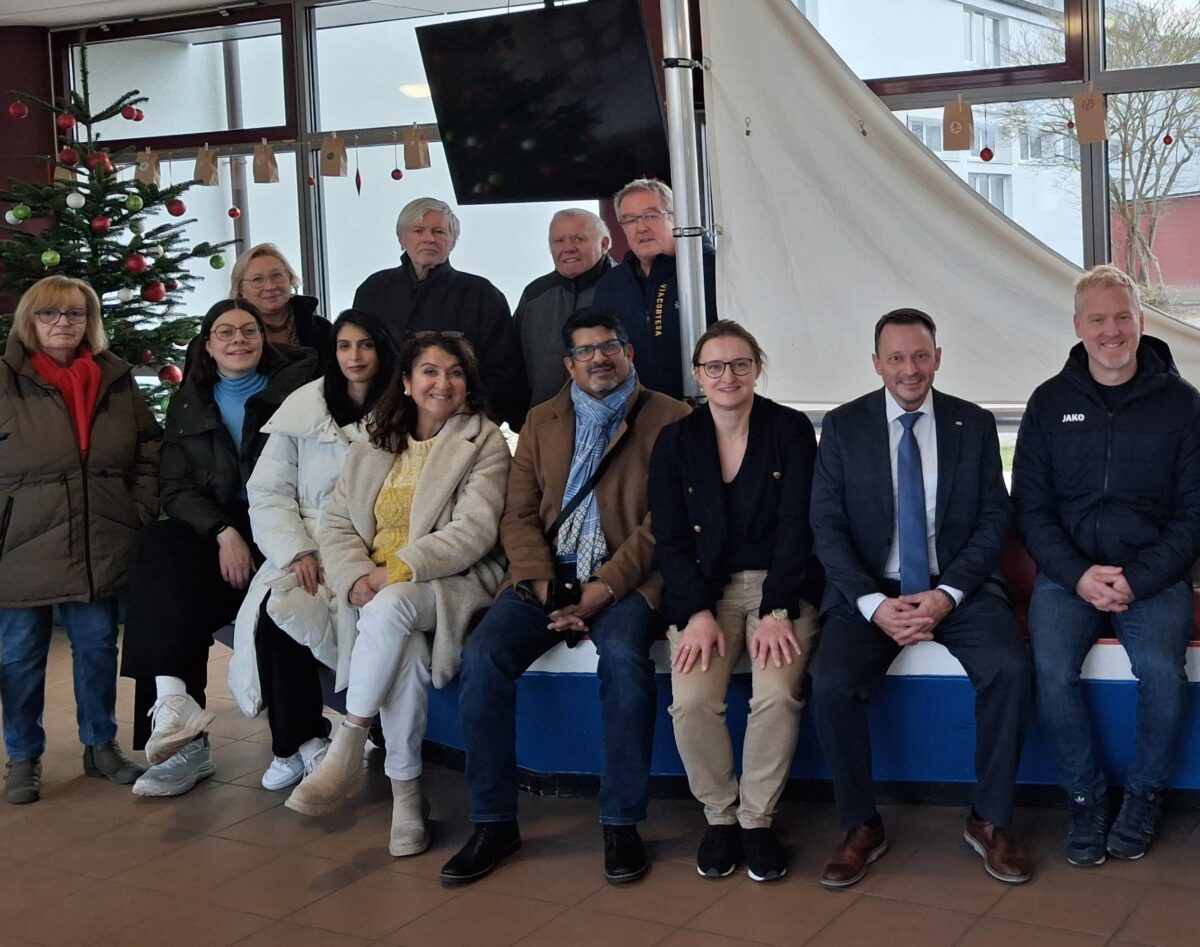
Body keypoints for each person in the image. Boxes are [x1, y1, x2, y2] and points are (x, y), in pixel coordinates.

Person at [439, 306, 690, 886]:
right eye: (584, 351)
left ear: (630, 351)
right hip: (546, 576)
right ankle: (494, 821)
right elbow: (518, 512)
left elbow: (665, 521)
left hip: (626, 582)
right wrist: (542, 579)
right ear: (567, 363)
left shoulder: (671, 418)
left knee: (626, 663)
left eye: (609, 346)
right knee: (482, 659)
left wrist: (605, 588)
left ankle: (621, 821)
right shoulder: (540, 420)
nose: (598, 358)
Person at [809, 308, 1033, 888]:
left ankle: (990, 820)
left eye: (921, 356)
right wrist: (872, 605)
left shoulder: (973, 424)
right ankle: (860, 826)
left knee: (1009, 668)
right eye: (897, 358)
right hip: (870, 589)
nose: (910, 369)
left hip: (956, 583)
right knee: (831, 682)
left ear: (937, 357)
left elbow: (993, 516)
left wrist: (948, 594)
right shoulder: (842, 426)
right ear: (877, 363)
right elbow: (826, 527)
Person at [285, 333, 510, 858]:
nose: (443, 382)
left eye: (455, 372)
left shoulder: (484, 441)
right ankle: (408, 799)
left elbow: (474, 532)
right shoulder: (374, 442)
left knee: (393, 606)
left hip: (450, 584)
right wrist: (356, 575)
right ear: (407, 382)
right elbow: (337, 523)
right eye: (429, 371)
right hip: (378, 590)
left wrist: (396, 571)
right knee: (402, 652)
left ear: (468, 385)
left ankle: (349, 740)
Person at [1012, 265, 1200, 866]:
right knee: (1049, 671)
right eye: (1098, 319)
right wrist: (1079, 575)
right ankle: (1085, 796)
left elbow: (1195, 513)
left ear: (1142, 323)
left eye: (1123, 317)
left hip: (1155, 575)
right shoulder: (1048, 403)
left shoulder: (1184, 405)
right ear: (1078, 327)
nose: (1112, 331)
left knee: (1164, 676)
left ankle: (1144, 796)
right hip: (1070, 576)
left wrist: (1139, 578)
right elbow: (1032, 510)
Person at [119, 300, 315, 797]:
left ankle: (295, 743)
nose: (238, 340)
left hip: (282, 528)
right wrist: (223, 532)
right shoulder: (191, 400)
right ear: (207, 345)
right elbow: (176, 486)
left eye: (248, 330)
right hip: (223, 532)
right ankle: (176, 725)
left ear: (262, 338)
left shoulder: (294, 386)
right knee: (161, 557)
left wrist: (258, 535)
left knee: (271, 606)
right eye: (224, 333)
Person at [648, 320, 820, 882]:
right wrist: (695, 612)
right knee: (692, 700)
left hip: (781, 586)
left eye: (740, 364)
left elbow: (800, 526)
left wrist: (776, 610)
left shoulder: (790, 429)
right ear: (698, 375)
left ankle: (757, 821)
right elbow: (670, 537)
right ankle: (720, 816)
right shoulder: (675, 440)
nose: (728, 376)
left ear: (758, 367)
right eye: (715, 367)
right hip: (705, 592)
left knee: (775, 694)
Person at [0, 276, 160, 804]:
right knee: (20, 655)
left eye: (74, 313)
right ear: (31, 321)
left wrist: (135, 509)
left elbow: (148, 450)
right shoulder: (4, 379)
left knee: (95, 648)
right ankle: (23, 756)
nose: (63, 324)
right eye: (50, 315)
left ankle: (101, 745)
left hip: (100, 538)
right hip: (21, 543)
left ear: (90, 321)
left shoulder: (116, 380)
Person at [228, 311, 398, 791]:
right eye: (345, 346)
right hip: (306, 545)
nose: (355, 356)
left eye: (365, 345)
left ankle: (357, 734)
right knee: (278, 609)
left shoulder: (406, 408)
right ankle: (296, 743)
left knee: (362, 622)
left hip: (372, 552)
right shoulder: (303, 407)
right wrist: (297, 551)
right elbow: (268, 492)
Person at [352, 197, 527, 427]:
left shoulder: (482, 295)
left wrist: (475, 422)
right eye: (418, 230)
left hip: (460, 426)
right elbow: (356, 360)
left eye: (439, 232)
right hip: (383, 425)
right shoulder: (372, 290)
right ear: (401, 238)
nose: (429, 239)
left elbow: (502, 371)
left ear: (452, 242)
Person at [592, 178, 717, 399]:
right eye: (629, 220)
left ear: (676, 218)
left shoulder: (710, 271)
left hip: (708, 411)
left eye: (651, 216)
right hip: (637, 416)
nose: (641, 227)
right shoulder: (610, 286)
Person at [513, 208, 615, 407]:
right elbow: (514, 362)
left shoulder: (624, 287)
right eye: (558, 241)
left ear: (604, 244)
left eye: (578, 239)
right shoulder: (534, 295)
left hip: (618, 423)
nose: (568, 248)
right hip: (546, 423)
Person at [229, 243, 334, 358]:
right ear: (241, 289)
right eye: (257, 279)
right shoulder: (229, 336)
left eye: (277, 275)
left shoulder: (322, 330)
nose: (270, 286)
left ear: (290, 279)